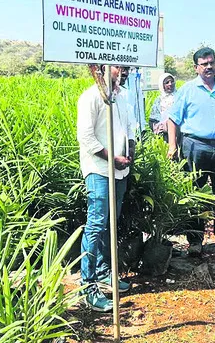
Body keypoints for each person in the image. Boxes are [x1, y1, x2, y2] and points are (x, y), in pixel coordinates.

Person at [167, 47, 215, 255]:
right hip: (194, 146)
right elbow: (173, 119)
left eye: (212, 62)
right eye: (204, 63)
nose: (209, 67)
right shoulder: (187, 90)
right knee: (195, 194)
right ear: (196, 67)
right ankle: (195, 241)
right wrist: (172, 145)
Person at [77, 65, 134, 312]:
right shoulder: (90, 97)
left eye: (122, 67)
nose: (120, 71)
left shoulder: (123, 96)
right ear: (102, 69)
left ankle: (102, 272)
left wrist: (130, 151)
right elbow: (87, 138)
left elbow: (129, 128)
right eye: (115, 67)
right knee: (97, 224)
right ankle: (87, 286)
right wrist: (112, 158)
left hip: (121, 169)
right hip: (99, 170)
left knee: (110, 224)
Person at [149, 73, 177, 141]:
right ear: (162, 85)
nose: (170, 84)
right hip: (164, 135)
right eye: (167, 82)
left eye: (172, 81)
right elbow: (153, 119)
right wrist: (162, 127)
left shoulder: (180, 97)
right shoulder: (159, 100)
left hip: (179, 134)